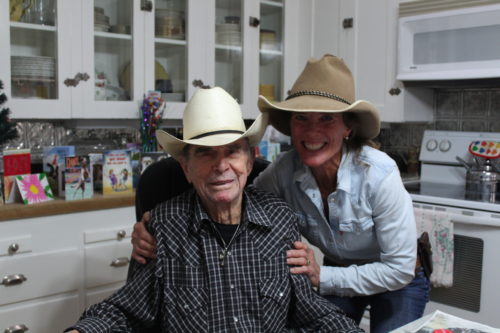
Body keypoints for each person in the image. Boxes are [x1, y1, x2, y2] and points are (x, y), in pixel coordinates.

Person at [131, 55, 430, 333]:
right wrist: (153, 223)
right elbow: (240, 201)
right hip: (339, 268)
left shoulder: (379, 174)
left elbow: (398, 268)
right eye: (302, 119)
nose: (312, 131)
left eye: (326, 119)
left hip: (397, 278)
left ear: (348, 128)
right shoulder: (283, 172)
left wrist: (319, 276)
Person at [66, 87, 363, 333]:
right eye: (206, 153)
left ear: (249, 161)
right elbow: (124, 312)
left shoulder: (279, 218)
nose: (221, 166)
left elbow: (311, 312)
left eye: (232, 150)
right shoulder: (165, 226)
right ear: (186, 167)